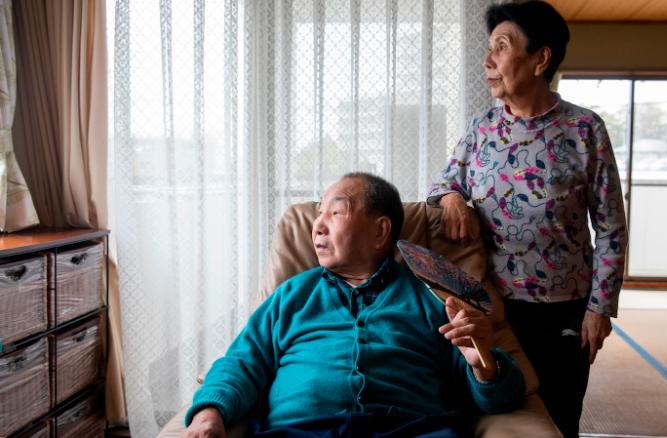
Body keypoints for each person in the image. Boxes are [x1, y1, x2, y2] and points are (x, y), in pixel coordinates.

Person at [184, 172, 525, 438]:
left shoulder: (433, 297)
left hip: (411, 430)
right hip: (298, 431)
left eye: (335, 212)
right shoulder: (291, 296)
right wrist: (209, 412)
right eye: (319, 214)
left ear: (380, 232)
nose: (317, 225)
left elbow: (501, 399)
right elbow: (241, 363)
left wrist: (484, 363)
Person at [427, 2, 628, 437]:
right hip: (490, 306)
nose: (488, 61)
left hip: (564, 309)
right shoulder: (481, 128)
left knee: (557, 416)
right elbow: (442, 185)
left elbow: (611, 226)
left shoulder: (584, 129)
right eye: (489, 48)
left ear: (540, 59)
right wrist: (452, 198)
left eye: (502, 47)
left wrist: (600, 308)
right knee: (495, 410)